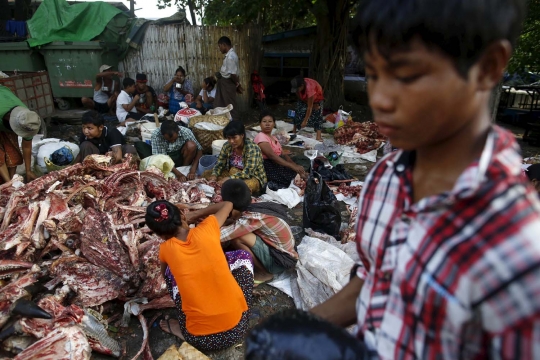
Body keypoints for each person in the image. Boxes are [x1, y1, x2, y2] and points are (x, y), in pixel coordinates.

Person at [308, 0, 540, 358]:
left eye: (406, 76)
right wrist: (300, 328)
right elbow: (375, 279)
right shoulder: (385, 177)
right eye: (373, 74)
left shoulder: (519, 255)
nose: (380, 99)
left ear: (488, 67)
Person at [146, 200, 253, 351]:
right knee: (242, 256)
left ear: (159, 235)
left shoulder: (165, 249)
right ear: (182, 216)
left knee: (170, 274)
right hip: (238, 328)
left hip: (200, 339)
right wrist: (197, 214)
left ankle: (180, 329)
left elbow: (164, 275)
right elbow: (228, 204)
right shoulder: (208, 227)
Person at [205, 121, 266, 194]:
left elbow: (248, 173)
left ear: (242, 135)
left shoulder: (252, 148)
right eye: (229, 138)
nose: (231, 141)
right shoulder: (227, 146)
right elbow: (220, 164)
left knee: (244, 186)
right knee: (206, 173)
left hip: (251, 177)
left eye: (234, 138)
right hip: (232, 173)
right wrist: (214, 175)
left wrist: (229, 179)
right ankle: (223, 185)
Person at [134, 120, 203, 181]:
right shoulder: (156, 135)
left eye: (175, 139)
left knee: (191, 145)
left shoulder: (185, 131)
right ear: (162, 134)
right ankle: (176, 171)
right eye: (169, 140)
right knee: (140, 146)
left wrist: (193, 170)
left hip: (181, 155)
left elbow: (200, 150)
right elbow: (161, 158)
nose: (173, 142)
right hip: (165, 159)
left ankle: (183, 168)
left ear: (178, 130)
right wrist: (178, 174)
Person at [254, 111, 307, 189]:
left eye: (270, 121)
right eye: (264, 121)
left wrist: (295, 166)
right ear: (260, 124)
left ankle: (299, 173)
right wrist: (292, 166)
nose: (267, 124)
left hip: (280, 162)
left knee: (304, 160)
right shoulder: (260, 137)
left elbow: (283, 154)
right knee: (291, 179)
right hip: (269, 165)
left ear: (274, 123)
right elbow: (272, 156)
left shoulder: (273, 137)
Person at [0, 85, 41, 183]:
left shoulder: (27, 120)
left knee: (13, 152)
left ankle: (12, 180)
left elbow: (26, 147)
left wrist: (28, 171)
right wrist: (8, 185)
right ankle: (8, 184)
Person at [214, 36, 243, 120]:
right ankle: (224, 122)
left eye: (220, 46)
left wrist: (237, 85)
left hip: (228, 83)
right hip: (224, 82)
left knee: (230, 105)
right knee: (220, 103)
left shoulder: (231, 57)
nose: (219, 49)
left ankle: (236, 125)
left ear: (224, 45)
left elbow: (233, 74)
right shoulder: (229, 55)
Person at [291, 75, 324, 141]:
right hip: (304, 99)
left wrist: (305, 121)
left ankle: (318, 136)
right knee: (297, 110)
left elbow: (309, 107)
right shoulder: (298, 88)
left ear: (302, 86)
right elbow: (299, 95)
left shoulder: (310, 89)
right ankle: (294, 130)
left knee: (318, 113)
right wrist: (305, 101)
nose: (297, 91)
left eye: (298, 89)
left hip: (316, 99)